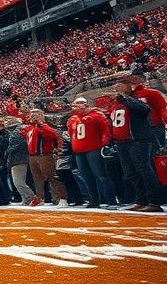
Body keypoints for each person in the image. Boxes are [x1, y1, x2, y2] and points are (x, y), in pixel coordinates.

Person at [109, 77, 164, 212]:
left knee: (144, 170)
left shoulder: (137, 98)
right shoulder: (115, 103)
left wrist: (124, 98)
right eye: (117, 87)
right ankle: (141, 200)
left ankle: (155, 201)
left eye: (121, 86)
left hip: (138, 140)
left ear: (130, 86)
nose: (118, 89)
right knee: (131, 172)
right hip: (121, 142)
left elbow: (144, 110)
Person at [67, 97, 115, 208]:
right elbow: (71, 134)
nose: (77, 106)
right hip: (79, 151)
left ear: (86, 104)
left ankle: (111, 200)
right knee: (86, 176)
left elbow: (106, 130)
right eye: (75, 104)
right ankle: (94, 200)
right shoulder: (72, 119)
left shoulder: (96, 115)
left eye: (80, 103)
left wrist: (104, 144)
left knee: (100, 175)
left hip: (94, 149)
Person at [22, 108, 68, 207]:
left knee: (51, 177)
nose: (33, 116)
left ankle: (61, 199)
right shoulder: (29, 128)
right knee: (37, 179)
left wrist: (41, 124)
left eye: (36, 114)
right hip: (32, 156)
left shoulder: (45, 127)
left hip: (45, 155)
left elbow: (54, 135)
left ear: (42, 115)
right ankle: (40, 198)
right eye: (32, 114)